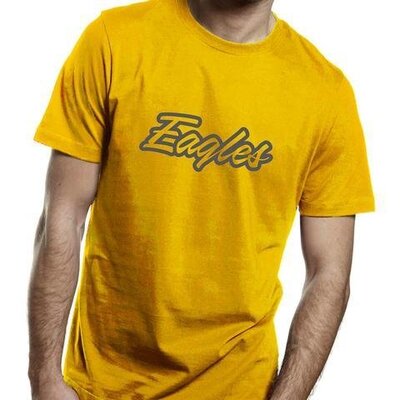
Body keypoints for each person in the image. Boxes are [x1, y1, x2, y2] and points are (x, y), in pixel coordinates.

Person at [27, 0, 376, 398]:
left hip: (240, 385)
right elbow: (63, 214)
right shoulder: (113, 41)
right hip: (103, 385)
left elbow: (329, 274)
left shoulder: (325, 93)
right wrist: (44, 379)